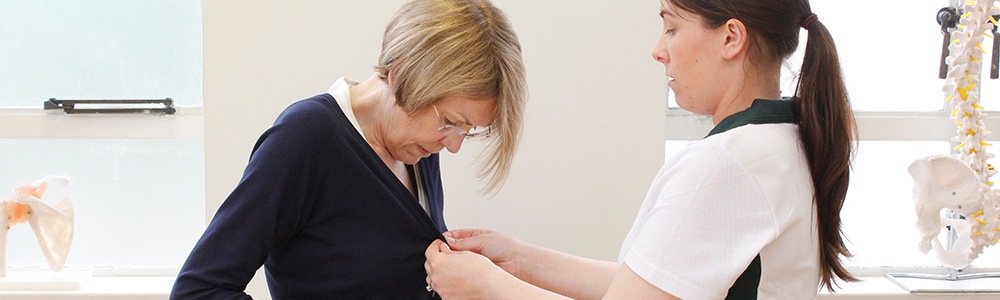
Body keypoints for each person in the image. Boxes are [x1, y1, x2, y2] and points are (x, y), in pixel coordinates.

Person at [423, 0, 857, 298]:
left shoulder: (726, 165)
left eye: (672, 28)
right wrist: (518, 258)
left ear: (731, 38)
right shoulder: (778, 141)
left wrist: (487, 287)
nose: (658, 51)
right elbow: (656, 283)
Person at [170, 0, 526, 298]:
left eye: (468, 130)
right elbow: (200, 290)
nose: (453, 146)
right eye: (450, 121)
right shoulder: (307, 138)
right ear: (400, 78)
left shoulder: (416, 148)